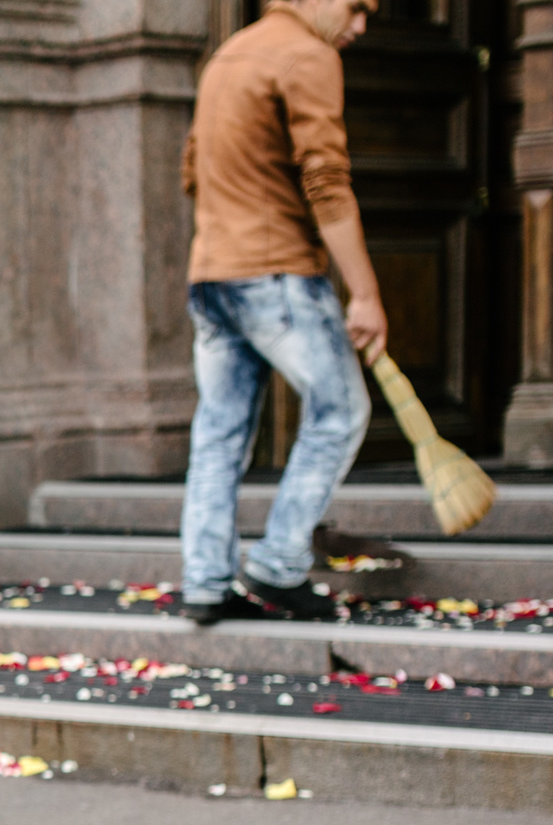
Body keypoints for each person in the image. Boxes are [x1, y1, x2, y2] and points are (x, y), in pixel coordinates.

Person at [177, 0, 383, 627]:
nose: (360, 26)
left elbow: (190, 171)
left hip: (211, 272)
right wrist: (365, 293)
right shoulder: (307, 54)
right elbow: (327, 180)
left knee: (219, 431)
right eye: (357, 7)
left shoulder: (227, 56)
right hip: (275, 273)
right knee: (341, 411)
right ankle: (280, 562)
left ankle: (205, 581)